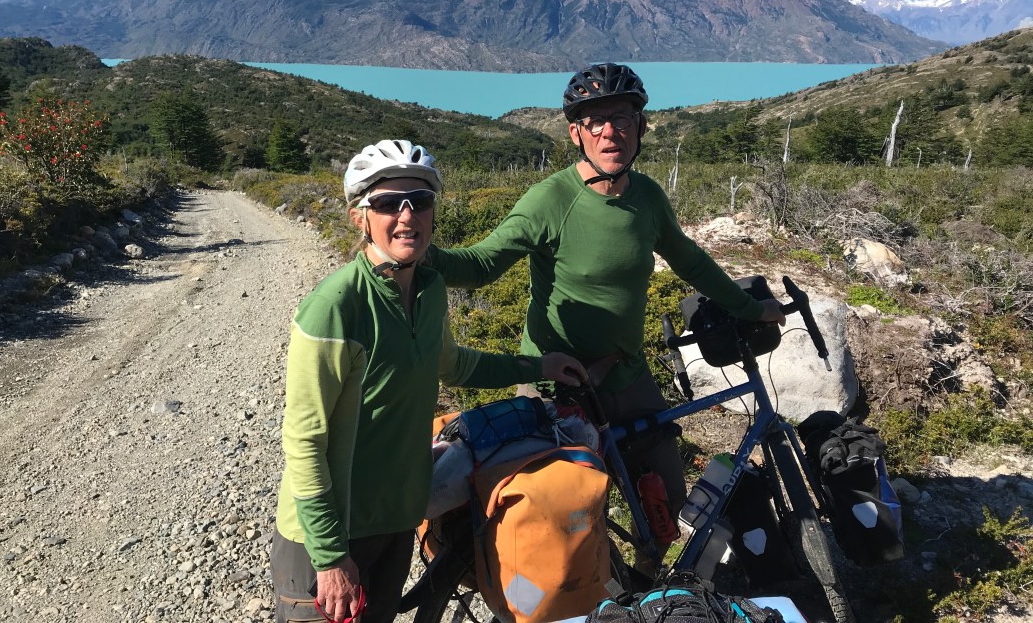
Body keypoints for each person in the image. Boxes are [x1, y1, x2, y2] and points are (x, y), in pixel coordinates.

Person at [425, 63, 786, 574]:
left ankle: (643, 589)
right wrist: (416, 254)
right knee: (560, 518)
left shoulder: (648, 198)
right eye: (595, 121)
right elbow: (482, 265)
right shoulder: (551, 199)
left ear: (641, 126)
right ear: (576, 133)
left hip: (625, 374)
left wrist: (750, 308)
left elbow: (692, 262)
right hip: (555, 380)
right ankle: (575, 592)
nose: (609, 131)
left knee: (664, 502)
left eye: (621, 117)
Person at [271, 138, 587, 623]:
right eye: (387, 203)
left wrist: (537, 367)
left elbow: (455, 366)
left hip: (396, 521)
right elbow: (304, 440)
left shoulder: (430, 289)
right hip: (329, 534)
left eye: (419, 200)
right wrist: (330, 557)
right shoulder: (336, 307)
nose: (407, 215)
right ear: (359, 217)